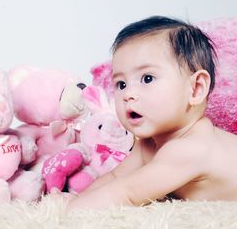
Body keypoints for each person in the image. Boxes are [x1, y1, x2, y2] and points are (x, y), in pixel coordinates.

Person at [63, 16, 237, 210]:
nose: (128, 94)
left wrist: (70, 212)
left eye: (147, 78)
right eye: (121, 84)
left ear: (195, 89)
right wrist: (77, 199)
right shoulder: (149, 143)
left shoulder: (191, 148)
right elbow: (115, 178)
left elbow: (127, 194)